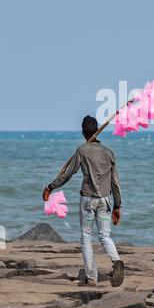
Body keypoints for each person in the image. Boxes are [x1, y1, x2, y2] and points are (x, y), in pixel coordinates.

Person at [42, 115, 124, 287]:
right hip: (105, 200)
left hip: (87, 200)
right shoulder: (109, 153)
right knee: (104, 235)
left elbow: (67, 174)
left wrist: (50, 187)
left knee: (86, 236)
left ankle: (92, 278)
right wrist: (117, 205)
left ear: (83, 133)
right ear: (96, 132)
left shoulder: (82, 151)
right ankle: (116, 260)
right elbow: (115, 182)